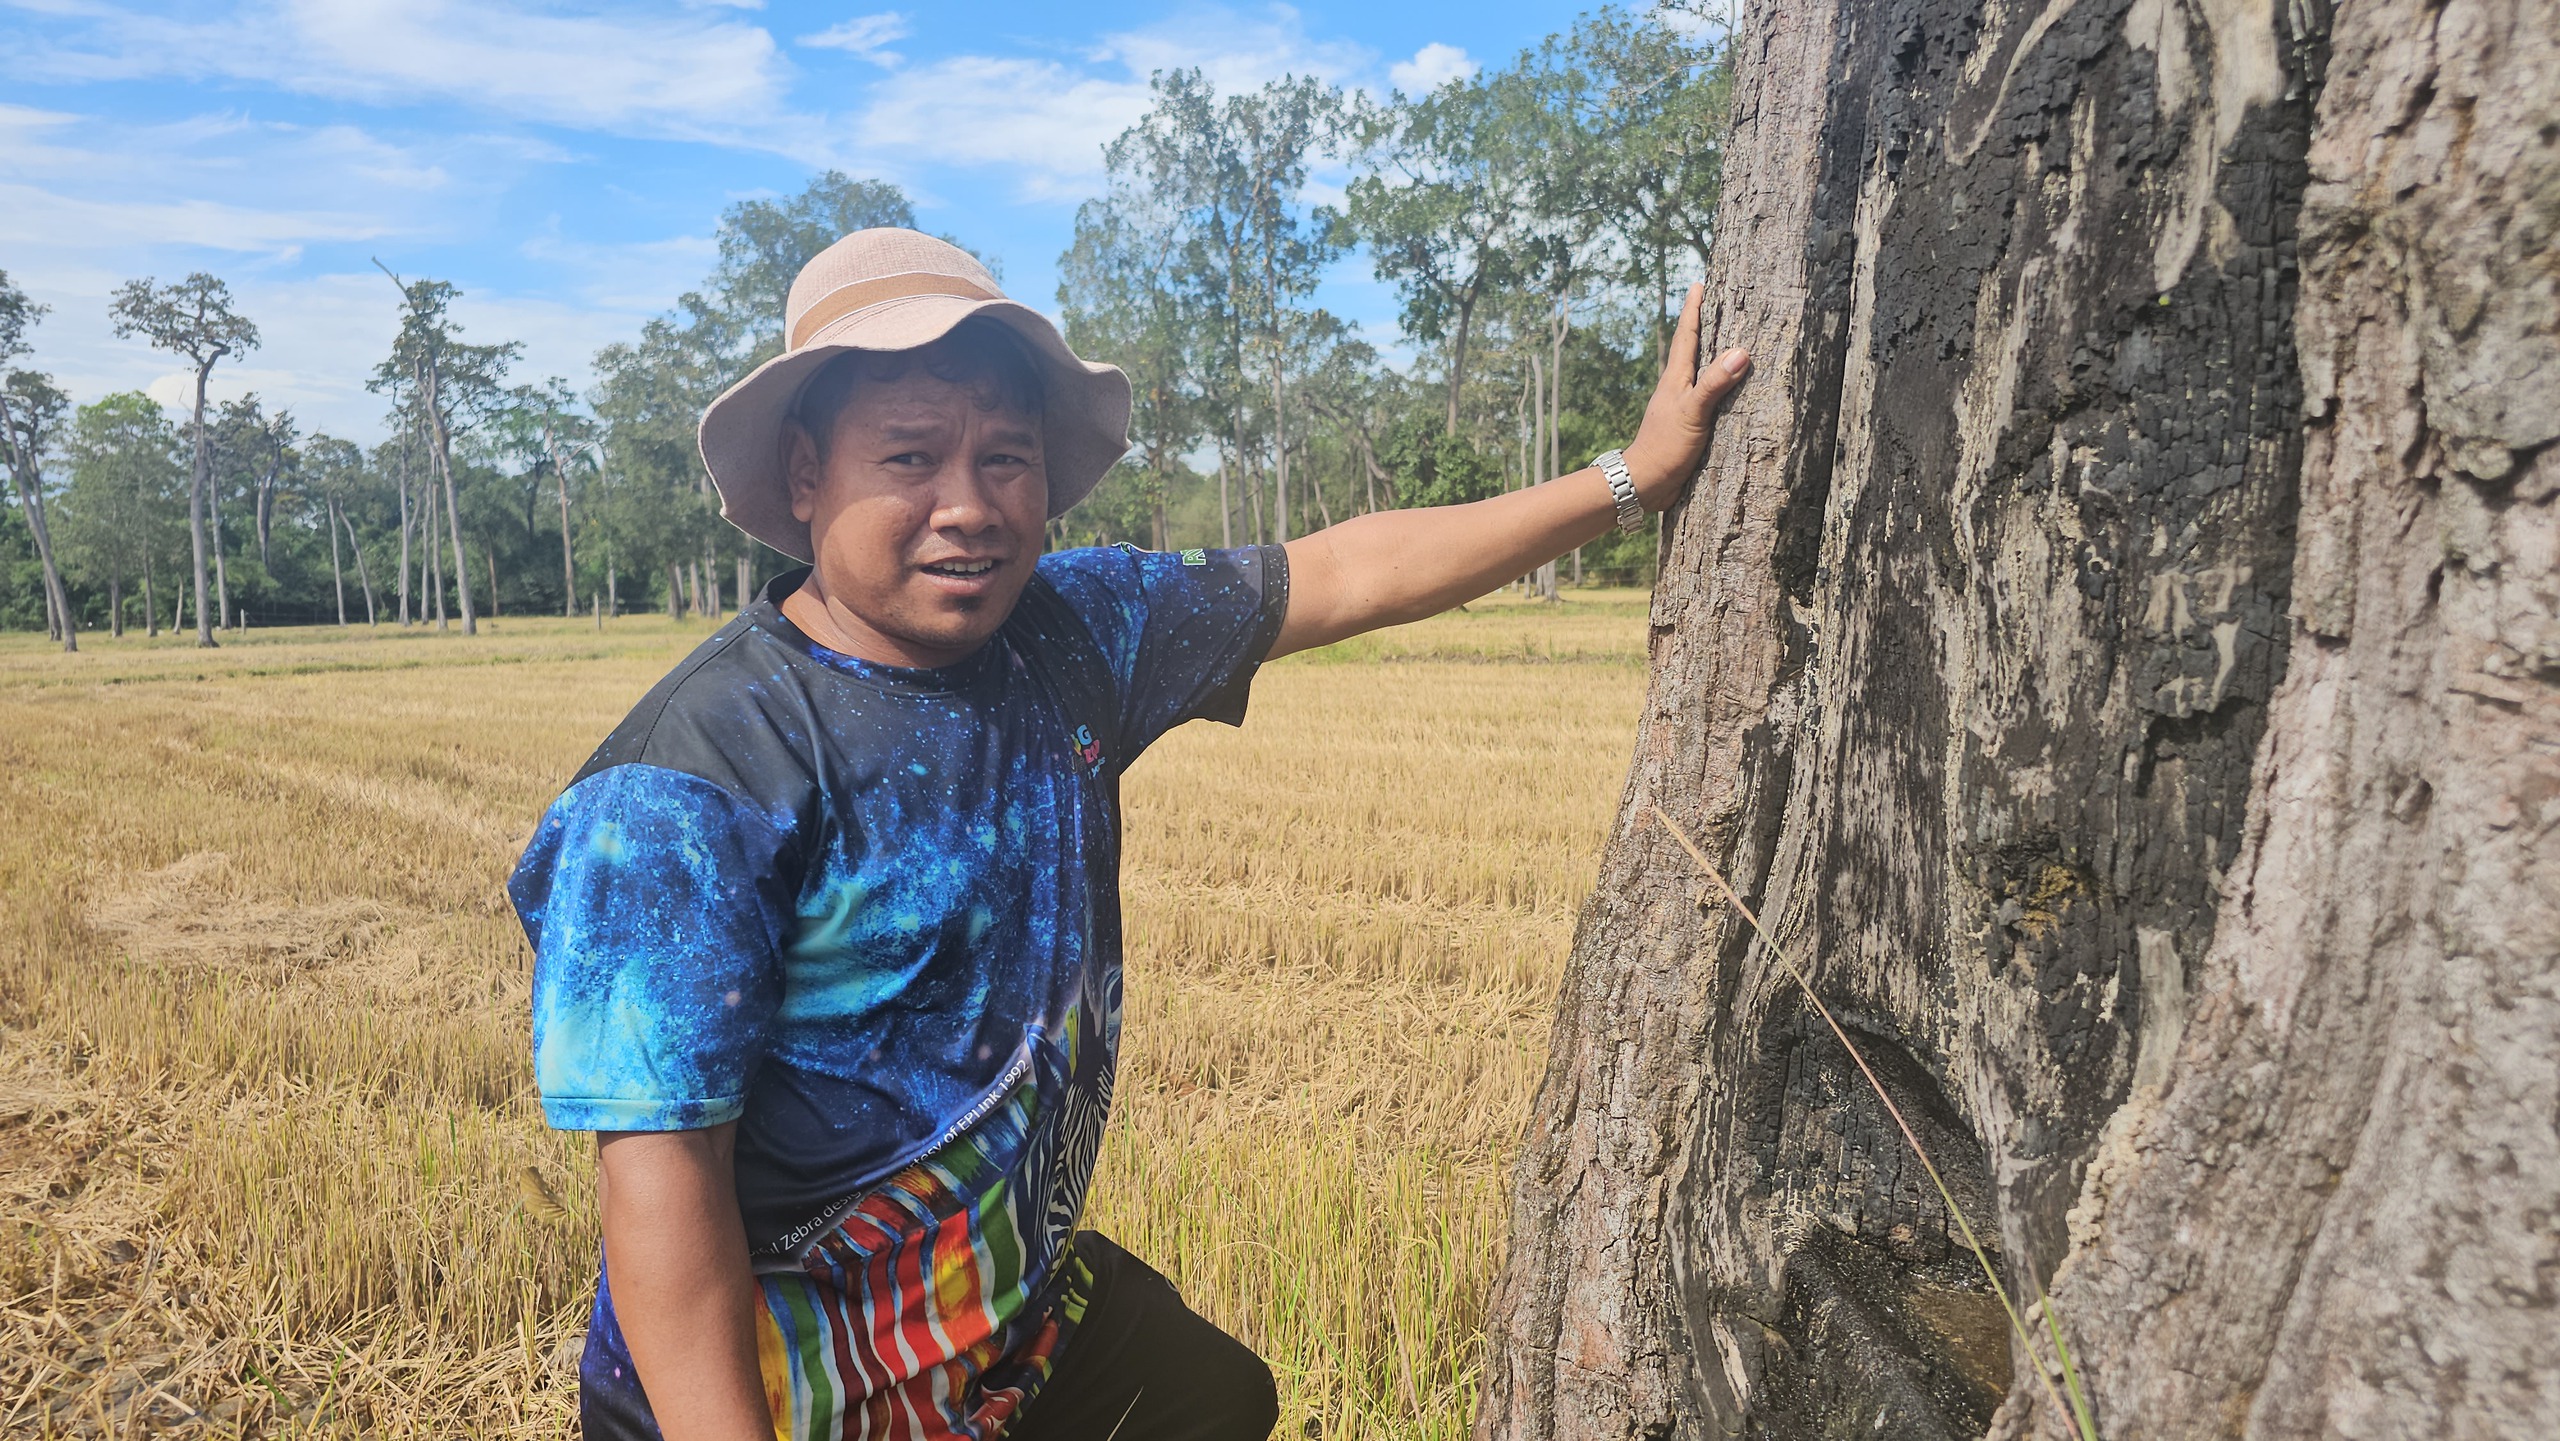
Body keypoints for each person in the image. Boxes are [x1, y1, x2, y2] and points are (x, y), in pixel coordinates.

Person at [508, 228, 1748, 1441]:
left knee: (1211, 1395)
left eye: (1005, 456)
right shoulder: (683, 791)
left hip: (1005, 1342)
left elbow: (1342, 572)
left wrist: (1629, 478)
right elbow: (660, 1180)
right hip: (793, 1395)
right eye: (910, 456)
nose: (968, 505)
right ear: (803, 473)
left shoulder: (1073, 631)